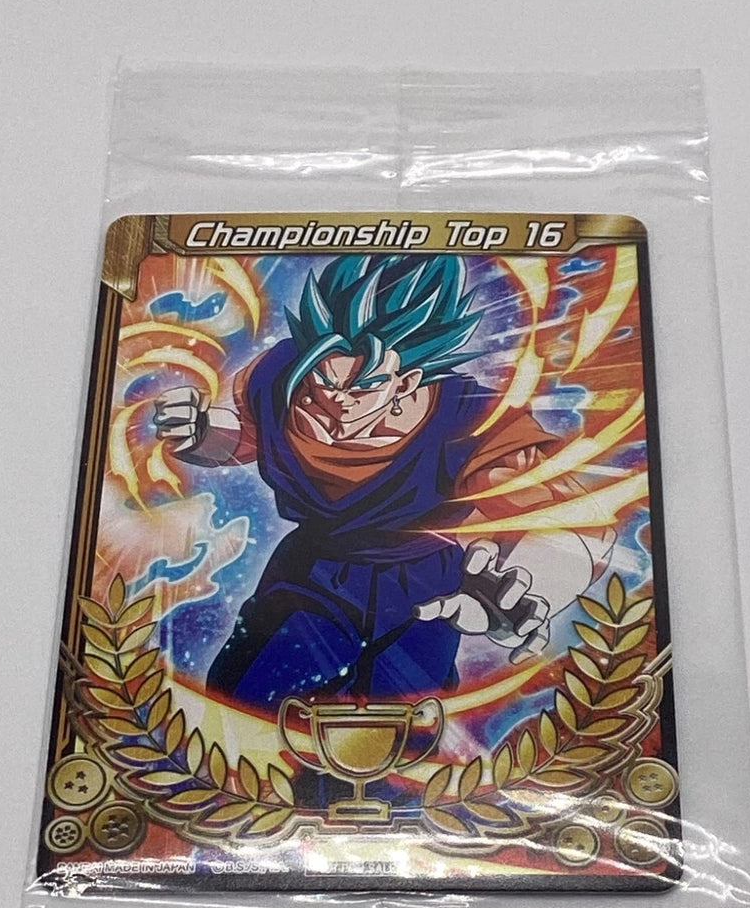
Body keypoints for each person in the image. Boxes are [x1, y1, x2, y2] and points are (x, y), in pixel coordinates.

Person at [154, 254, 604, 707]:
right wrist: (199, 432)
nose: (334, 402)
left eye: (362, 387)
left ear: (406, 382)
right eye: (321, 380)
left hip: (425, 590)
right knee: (250, 699)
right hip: (310, 573)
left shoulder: (471, 419)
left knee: (401, 721)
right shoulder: (279, 374)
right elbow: (243, 435)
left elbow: (569, 520)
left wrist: (526, 587)